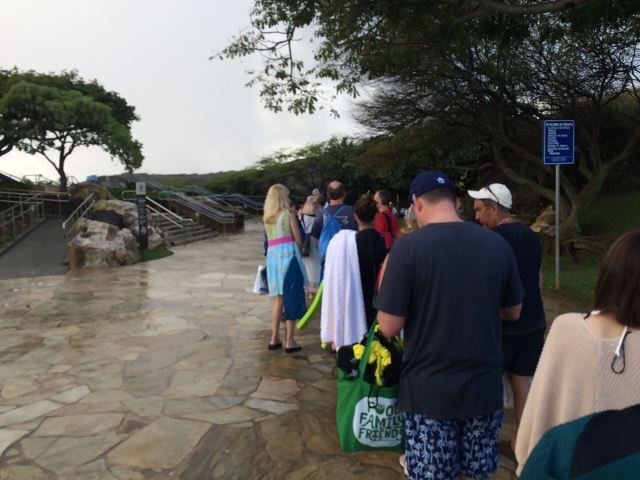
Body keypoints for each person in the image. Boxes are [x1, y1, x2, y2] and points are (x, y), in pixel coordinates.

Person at [375, 170, 524, 480]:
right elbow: (513, 312)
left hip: (429, 392)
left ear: (417, 203)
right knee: (476, 474)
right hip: (483, 388)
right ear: (456, 202)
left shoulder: (408, 248)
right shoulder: (496, 244)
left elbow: (388, 326)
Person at [515, 230, 640, 475]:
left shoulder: (567, 328)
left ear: (609, 275)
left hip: (563, 465)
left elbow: (538, 418)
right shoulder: (566, 329)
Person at [468, 183, 546, 461]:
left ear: (494, 208)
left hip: (504, 326)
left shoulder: (493, 240)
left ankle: (480, 447)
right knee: (521, 381)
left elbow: (485, 285)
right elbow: (538, 278)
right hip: (534, 322)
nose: (476, 217)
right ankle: (522, 446)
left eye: (480, 210)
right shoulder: (530, 235)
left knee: (485, 386)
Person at [263, 184, 306, 353]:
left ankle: (274, 338)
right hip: (288, 257)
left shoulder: (267, 217)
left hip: (273, 257)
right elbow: (299, 238)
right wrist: (298, 251)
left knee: (278, 299)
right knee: (291, 297)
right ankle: (290, 340)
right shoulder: (288, 214)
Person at [354, 194, 387, 328]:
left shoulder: (351, 242)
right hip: (378, 298)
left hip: (356, 299)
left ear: (355, 216)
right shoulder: (382, 241)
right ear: (376, 216)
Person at [299, 195, 321, 297]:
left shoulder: (301, 215)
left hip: (305, 245)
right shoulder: (319, 215)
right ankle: (316, 291)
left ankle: (308, 292)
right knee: (316, 268)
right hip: (316, 243)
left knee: (307, 267)